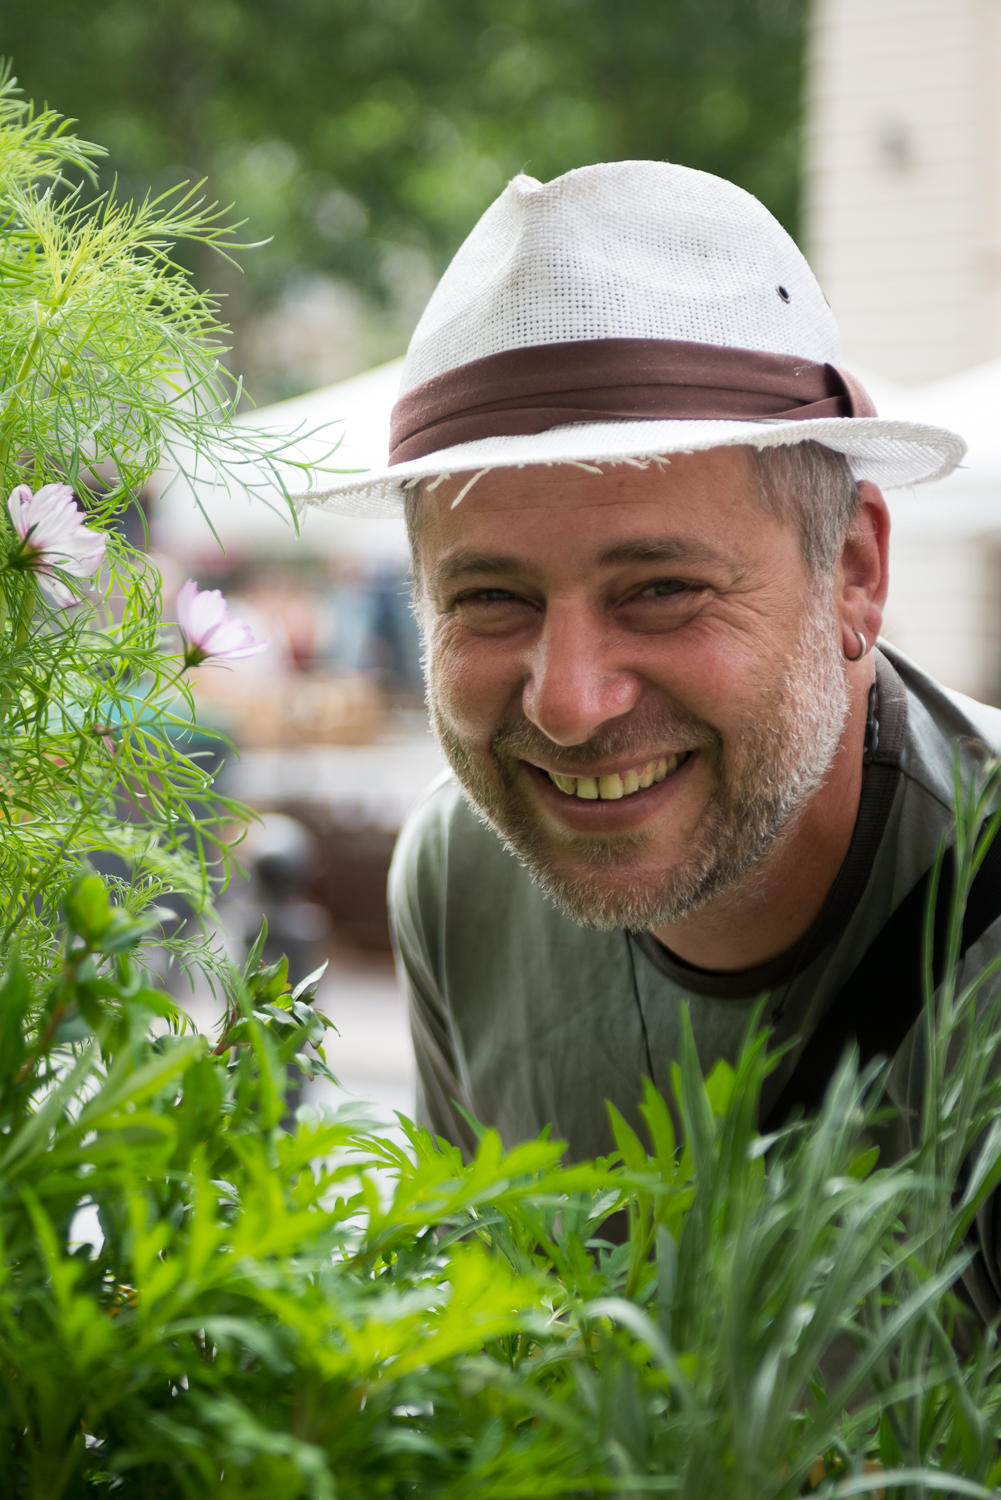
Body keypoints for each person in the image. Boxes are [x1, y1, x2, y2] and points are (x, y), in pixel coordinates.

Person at [309, 161, 1001, 1314]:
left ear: (852, 572)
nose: (567, 704)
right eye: (488, 599)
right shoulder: (458, 874)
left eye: (663, 589)